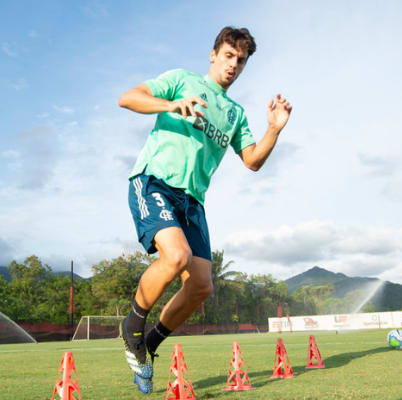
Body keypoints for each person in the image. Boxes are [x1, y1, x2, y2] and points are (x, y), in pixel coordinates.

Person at [118, 26, 292, 393]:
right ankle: (132, 327)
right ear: (213, 54)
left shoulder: (234, 114)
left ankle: (148, 345)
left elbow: (252, 161)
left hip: (193, 202)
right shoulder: (182, 80)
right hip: (154, 183)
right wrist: (170, 104)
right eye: (229, 55)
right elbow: (128, 98)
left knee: (201, 287)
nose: (234, 65)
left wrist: (274, 130)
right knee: (177, 256)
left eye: (241, 61)